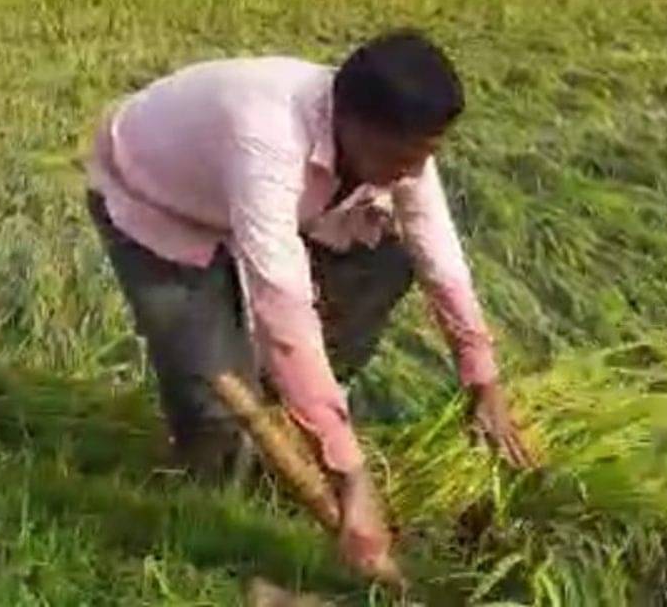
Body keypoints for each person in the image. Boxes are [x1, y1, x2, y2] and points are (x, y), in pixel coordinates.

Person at [84, 29, 534, 579]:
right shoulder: (267, 138)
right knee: (213, 408)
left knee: (388, 254)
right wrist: (353, 481)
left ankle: (299, 410)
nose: (415, 173)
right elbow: (283, 308)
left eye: (426, 157)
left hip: (274, 200)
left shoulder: (397, 139)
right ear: (354, 125)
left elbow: (436, 249)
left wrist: (483, 381)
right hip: (156, 204)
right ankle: (210, 531)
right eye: (403, 159)